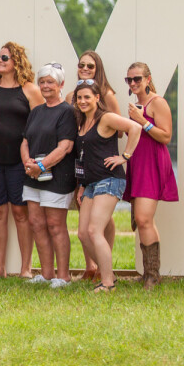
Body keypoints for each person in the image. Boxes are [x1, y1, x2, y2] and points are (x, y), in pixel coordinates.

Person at [0, 42, 43, 278]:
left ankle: (25, 268)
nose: (0, 60)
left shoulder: (30, 90)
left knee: (20, 213)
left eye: (5, 57)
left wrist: (34, 160)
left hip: (20, 161)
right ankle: (0, 268)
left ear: (17, 61)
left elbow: (38, 126)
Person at [72, 79, 142, 292]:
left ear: (97, 98)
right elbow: (84, 156)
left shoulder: (106, 118)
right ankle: (108, 272)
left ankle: (108, 283)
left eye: (87, 97)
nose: (82, 101)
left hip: (109, 180)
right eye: (79, 97)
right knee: (83, 233)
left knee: (95, 230)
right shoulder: (82, 122)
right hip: (90, 183)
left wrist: (125, 156)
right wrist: (82, 185)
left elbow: (135, 127)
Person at [20, 63, 76, 288]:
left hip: (57, 176)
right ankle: (46, 274)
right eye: (42, 82)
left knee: (55, 225)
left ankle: (63, 276)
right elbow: (25, 141)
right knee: (36, 223)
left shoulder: (67, 112)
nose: (45, 86)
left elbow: (65, 147)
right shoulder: (36, 111)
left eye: (50, 82)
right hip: (32, 175)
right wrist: (27, 161)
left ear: (61, 84)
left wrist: (41, 166)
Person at [124, 61, 179, 290]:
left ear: (148, 79)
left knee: (144, 218)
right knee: (141, 219)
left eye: (137, 79)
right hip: (137, 162)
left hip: (153, 163)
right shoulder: (136, 105)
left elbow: (166, 137)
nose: (134, 83)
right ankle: (148, 272)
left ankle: (152, 276)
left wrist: (142, 121)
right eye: (130, 80)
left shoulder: (158, 103)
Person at [65, 50, 119, 281]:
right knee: (86, 230)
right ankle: (95, 267)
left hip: (106, 170)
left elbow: (122, 127)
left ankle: (105, 276)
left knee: (98, 226)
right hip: (84, 170)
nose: (85, 68)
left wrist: (123, 156)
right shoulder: (72, 97)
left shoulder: (106, 96)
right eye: (81, 65)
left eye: (90, 66)